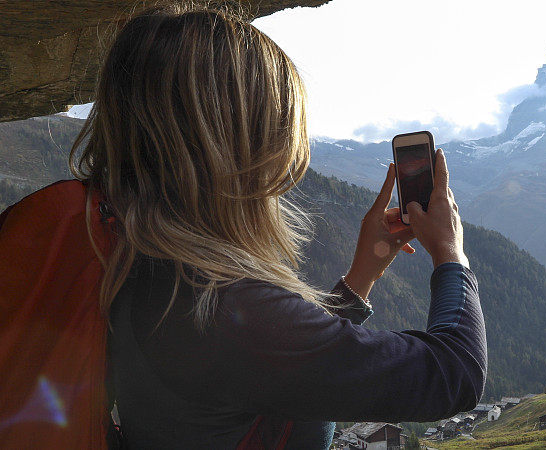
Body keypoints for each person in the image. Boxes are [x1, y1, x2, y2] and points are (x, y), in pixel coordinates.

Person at [70, 3, 486, 449]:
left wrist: (362, 275)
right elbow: (454, 373)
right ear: (236, 146)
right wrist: (450, 253)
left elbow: (288, 377)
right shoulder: (225, 310)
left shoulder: (134, 264)